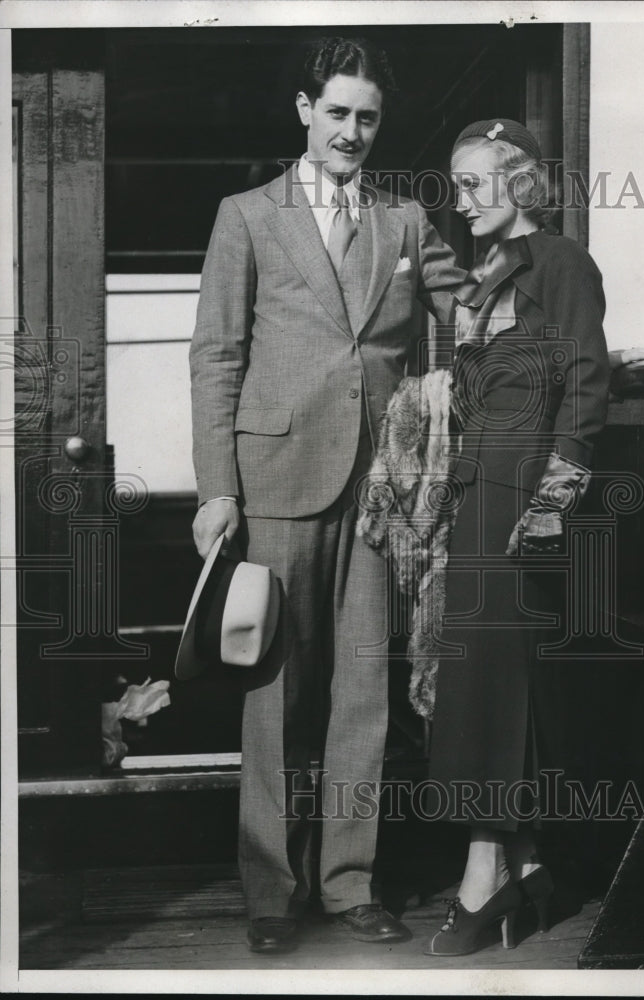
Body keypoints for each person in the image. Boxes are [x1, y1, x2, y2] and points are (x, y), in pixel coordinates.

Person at [188, 37, 464, 954]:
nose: (352, 131)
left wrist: (548, 306)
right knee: (272, 693)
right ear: (306, 111)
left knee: (363, 697)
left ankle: (349, 883)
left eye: (368, 117)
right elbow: (216, 358)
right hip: (273, 483)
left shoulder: (405, 221)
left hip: (380, 490)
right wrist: (216, 491)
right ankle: (271, 893)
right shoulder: (247, 216)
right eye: (337, 112)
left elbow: (463, 311)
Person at [423, 118, 612, 957]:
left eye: (471, 185)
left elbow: (585, 387)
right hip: (476, 499)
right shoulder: (486, 277)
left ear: (520, 182)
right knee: (478, 687)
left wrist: (550, 507)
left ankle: (483, 872)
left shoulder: (563, 263)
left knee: (500, 688)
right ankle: (526, 863)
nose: (458, 203)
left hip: (526, 500)